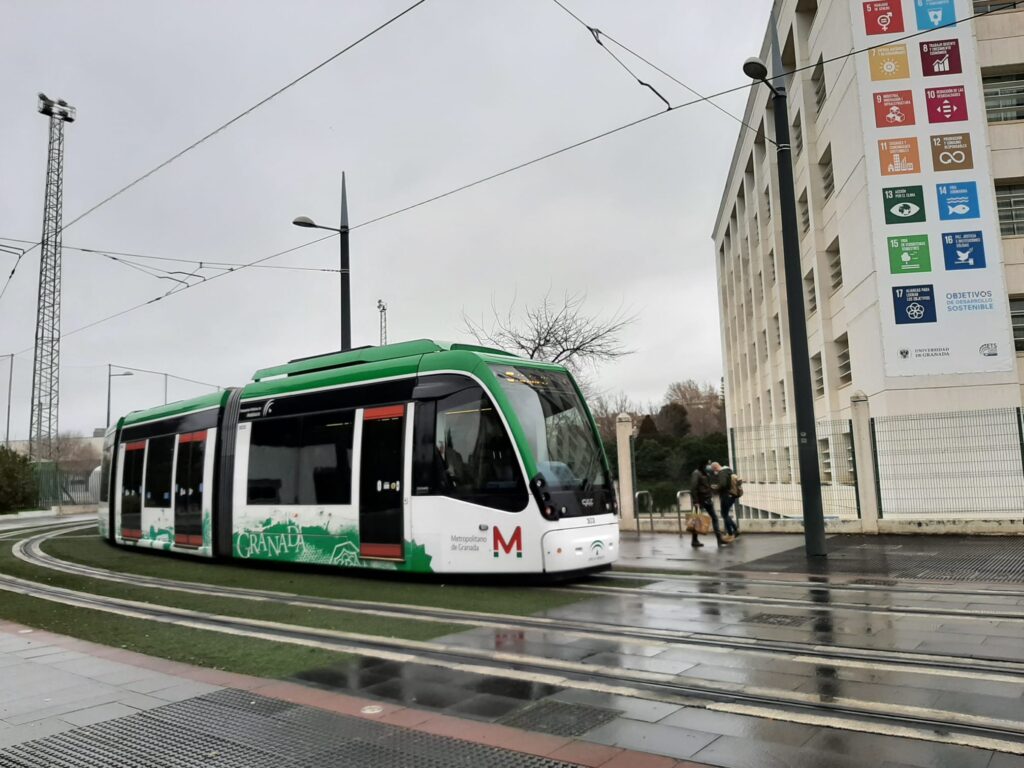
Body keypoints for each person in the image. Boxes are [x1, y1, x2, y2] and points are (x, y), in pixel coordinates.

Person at [689, 459, 728, 548]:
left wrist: (711, 489)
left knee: (714, 517)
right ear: (703, 464)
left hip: (707, 499)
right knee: (696, 520)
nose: (709, 466)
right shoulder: (696, 473)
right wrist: (695, 501)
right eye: (708, 464)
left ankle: (719, 539)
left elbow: (705, 485)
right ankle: (694, 540)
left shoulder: (705, 473)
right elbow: (693, 488)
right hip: (699, 500)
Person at [710, 461, 740, 538]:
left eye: (714, 470)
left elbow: (723, 484)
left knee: (724, 514)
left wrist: (716, 488)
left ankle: (732, 532)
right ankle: (733, 530)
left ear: (715, 468)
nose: (714, 472)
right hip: (731, 495)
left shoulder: (722, 473)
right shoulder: (728, 471)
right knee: (725, 514)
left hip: (726, 496)